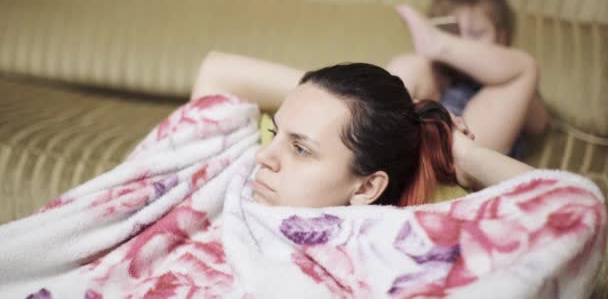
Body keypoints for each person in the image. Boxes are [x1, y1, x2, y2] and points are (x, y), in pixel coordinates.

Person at [191, 50, 534, 207]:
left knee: (523, 72)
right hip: (390, 123)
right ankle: (433, 63)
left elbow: (575, 205)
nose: (262, 156)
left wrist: (465, 154)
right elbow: (215, 69)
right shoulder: (281, 142)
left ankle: (444, 50)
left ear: (367, 187)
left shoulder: (437, 199)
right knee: (406, 66)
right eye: (273, 134)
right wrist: (325, 101)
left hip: (441, 137)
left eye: (300, 149)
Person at [386, 0, 550, 159]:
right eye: (454, 34)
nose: (463, 44)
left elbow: (539, 122)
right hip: (417, 151)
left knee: (525, 65)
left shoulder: (511, 82)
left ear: (502, 38)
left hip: (469, 160)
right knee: (411, 64)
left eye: (477, 34)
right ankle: (373, 130)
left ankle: (439, 44)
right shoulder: (433, 75)